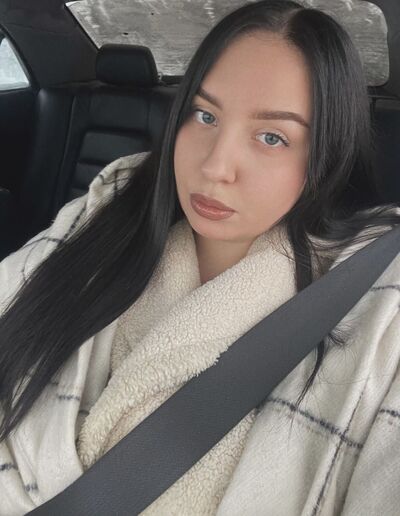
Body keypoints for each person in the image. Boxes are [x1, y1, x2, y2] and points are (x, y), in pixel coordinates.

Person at [0, 0, 400, 514]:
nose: (215, 166)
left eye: (272, 137)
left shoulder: (378, 303)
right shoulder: (110, 207)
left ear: (327, 156)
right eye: (205, 115)